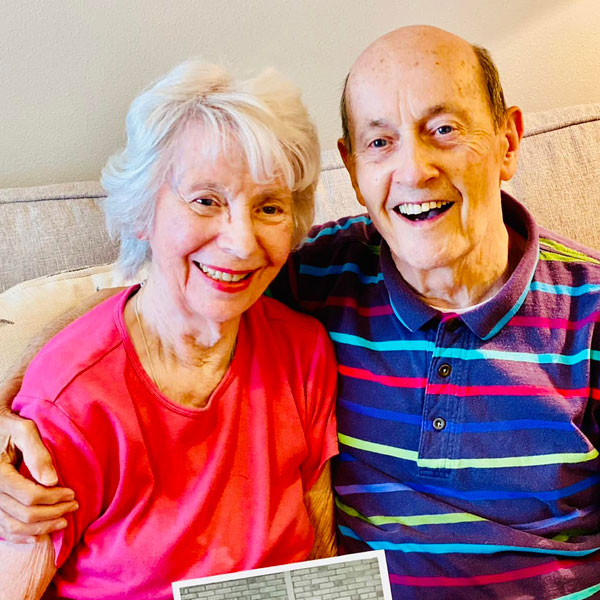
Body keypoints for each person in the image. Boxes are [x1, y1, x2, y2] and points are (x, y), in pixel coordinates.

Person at [2, 24, 600, 600]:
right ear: (355, 169)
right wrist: (20, 403)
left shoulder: (590, 312)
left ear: (508, 141)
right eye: (381, 141)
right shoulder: (324, 275)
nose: (415, 170)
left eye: (444, 128)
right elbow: (163, 301)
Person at [0, 58, 338, 599]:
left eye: (269, 207)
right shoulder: (71, 404)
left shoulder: (303, 350)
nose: (242, 242)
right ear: (142, 211)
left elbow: (325, 560)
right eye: (206, 200)